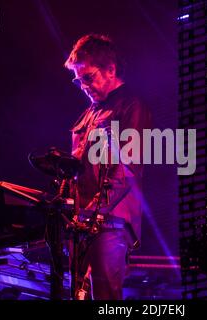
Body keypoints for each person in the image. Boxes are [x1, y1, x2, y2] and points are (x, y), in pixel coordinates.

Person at [64, 33, 152, 300]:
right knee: (78, 294)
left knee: (105, 298)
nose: (83, 86)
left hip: (109, 222)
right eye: (78, 81)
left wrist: (96, 210)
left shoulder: (132, 106)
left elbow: (129, 167)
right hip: (81, 222)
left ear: (111, 69)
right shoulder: (87, 115)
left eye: (88, 77)